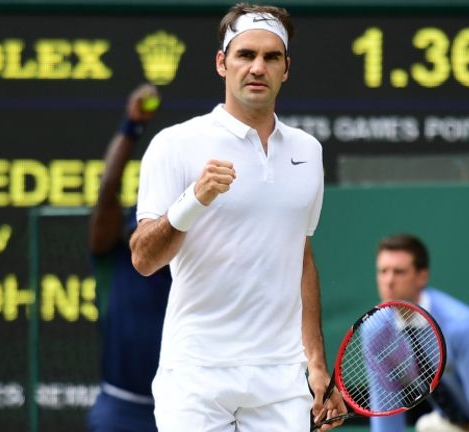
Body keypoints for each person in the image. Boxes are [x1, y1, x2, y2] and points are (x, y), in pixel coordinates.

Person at [128, 3, 346, 431]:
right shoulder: (175, 144)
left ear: (286, 68)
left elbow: (300, 256)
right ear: (222, 63)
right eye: (245, 55)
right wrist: (193, 199)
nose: (257, 67)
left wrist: (316, 364)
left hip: (281, 378)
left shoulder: (308, 151)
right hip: (195, 374)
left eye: (271, 57)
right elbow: (143, 258)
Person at [370, 233, 469, 432]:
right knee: (426, 427)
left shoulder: (458, 322)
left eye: (399, 272)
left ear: (422, 277)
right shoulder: (374, 331)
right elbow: (385, 406)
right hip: (453, 423)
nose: (389, 281)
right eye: (383, 271)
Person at [86, 83, 172, 432]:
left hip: (184, 408)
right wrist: (131, 127)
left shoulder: (191, 256)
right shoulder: (114, 253)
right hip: (120, 409)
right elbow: (108, 192)